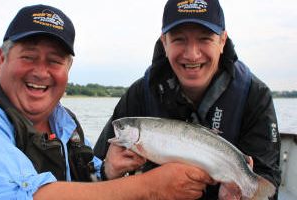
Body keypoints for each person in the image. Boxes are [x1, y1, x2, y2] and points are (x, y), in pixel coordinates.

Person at [0, 4, 215, 200]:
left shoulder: (65, 122)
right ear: (1, 57)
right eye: (28, 56)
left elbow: (84, 187)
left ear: (68, 69)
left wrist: (109, 171)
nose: (41, 72)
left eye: (55, 61)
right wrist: (149, 187)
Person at [94, 0, 281, 199]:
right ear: (164, 42)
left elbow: (268, 182)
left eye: (205, 38)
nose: (192, 54)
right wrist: (109, 171)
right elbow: (91, 176)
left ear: (222, 41)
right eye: (179, 39)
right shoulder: (139, 94)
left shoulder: (255, 96)